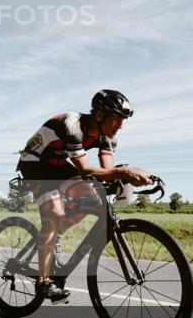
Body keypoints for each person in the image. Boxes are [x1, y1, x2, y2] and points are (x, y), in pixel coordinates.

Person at [17, 90, 154, 302]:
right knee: (54, 214)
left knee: (91, 199)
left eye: (123, 120)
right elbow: (85, 170)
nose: (120, 125)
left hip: (58, 164)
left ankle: (54, 237)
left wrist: (134, 177)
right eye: (116, 119)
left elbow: (107, 171)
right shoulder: (72, 127)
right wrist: (124, 172)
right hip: (35, 163)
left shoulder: (108, 136)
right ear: (99, 115)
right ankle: (43, 282)